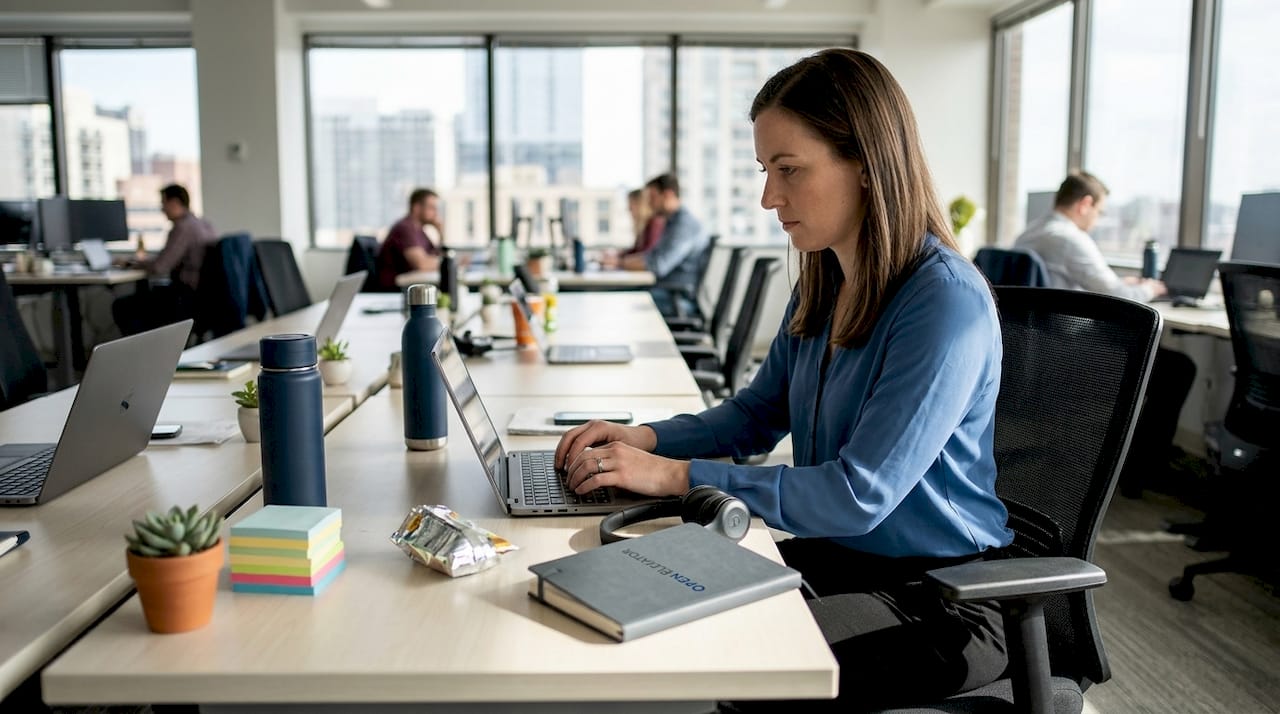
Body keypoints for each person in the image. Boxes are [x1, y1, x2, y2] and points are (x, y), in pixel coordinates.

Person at [555, 49, 1012, 710]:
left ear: (865, 162)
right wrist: (644, 439)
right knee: (628, 591)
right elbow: (753, 417)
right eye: (767, 170)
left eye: (790, 170)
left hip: (947, 601)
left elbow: (859, 494)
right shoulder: (826, 283)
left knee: (733, 660)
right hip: (844, 563)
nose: (770, 197)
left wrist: (676, 477)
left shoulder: (943, 302)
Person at [1014, 172, 1195, 497]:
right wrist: (1150, 288)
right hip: (1069, 356)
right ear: (1085, 204)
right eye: (1099, 212)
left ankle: (1134, 461)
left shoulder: (1031, 233)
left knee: (1162, 362)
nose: (1098, 220)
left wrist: (1126, 285)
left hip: (1036, 352)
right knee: (1177, 369)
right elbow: (1117, 296)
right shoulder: (1069, 238)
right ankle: (1144, 471)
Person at [112, 183, 217, 335]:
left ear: (174, 203)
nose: (162, 209)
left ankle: (142, 351)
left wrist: (130, 263)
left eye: (163, 203)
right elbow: (167, 258)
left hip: (186, 299)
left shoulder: (183, 227)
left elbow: (160, 267)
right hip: (203, 297)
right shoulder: (203, 224)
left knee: (122, 306)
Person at [620, 173, 709, 316]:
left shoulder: (684, 225)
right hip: (666, 291)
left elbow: (658, 265)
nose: (649, 203)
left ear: (667, 195)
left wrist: (620, 263)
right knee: (621, 295)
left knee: (622, 300)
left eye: (653, 198)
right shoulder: (672, 222)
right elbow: (652, 256)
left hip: (677, 299)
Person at [375, 188, 443, 291]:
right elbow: (422, 264)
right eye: (431, 208)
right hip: (396, 290)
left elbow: (436, 256)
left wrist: (441, 232)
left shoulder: (419, 230)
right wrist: (447, 263)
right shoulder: (405, 228)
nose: (435, 213)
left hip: (410, 285)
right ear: (417, 208)